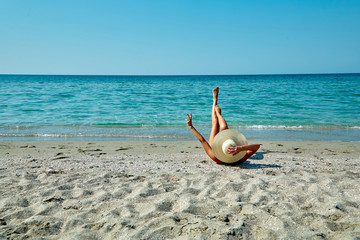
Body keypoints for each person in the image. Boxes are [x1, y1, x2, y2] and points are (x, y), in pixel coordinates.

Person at [185, 87, 260, 164]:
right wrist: (240, 148)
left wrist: (191, 126)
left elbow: (202, 140)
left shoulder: (215, 157)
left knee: (215, 124)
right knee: (223, 127)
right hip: (231, 145)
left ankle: (215, 101)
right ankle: (218, 113)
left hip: (215, 146)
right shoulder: (240, 159)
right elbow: (257, 146)